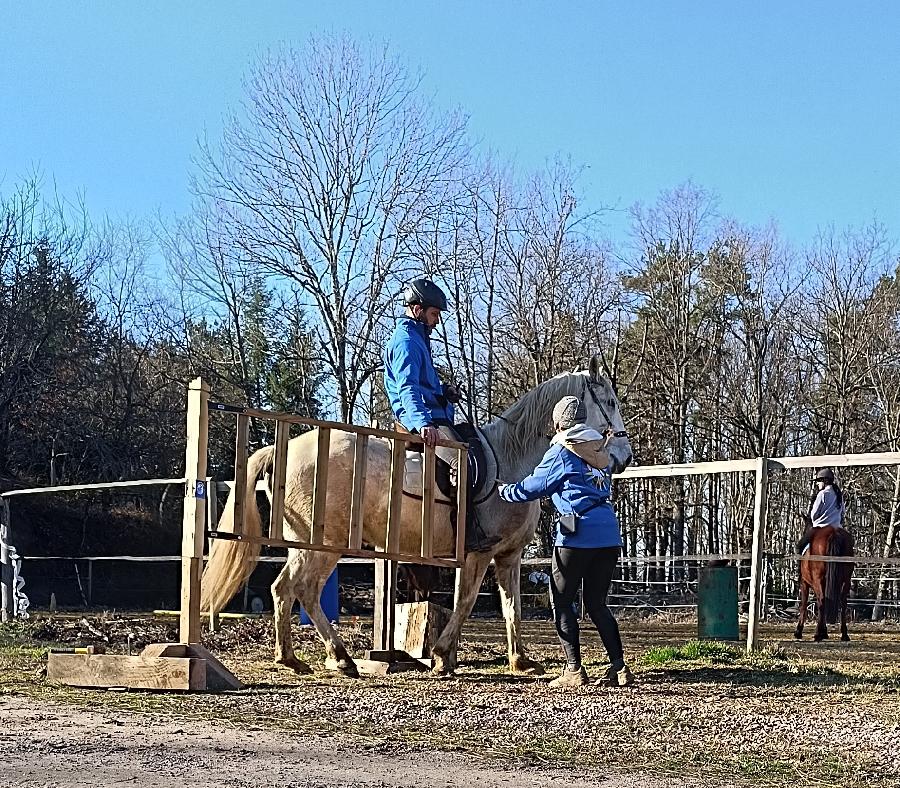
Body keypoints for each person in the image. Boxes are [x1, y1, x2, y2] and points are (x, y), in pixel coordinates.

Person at [498, 395, 634, 689]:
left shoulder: (562, 451)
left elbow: (534, 486)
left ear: (559, 423)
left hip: (577, 535)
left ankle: (573, 670)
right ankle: (619, 667)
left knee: (561, 601)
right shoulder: (599, 448)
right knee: (597, 604)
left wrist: (504, 491)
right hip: (608, 534)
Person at [383, 278, 491, 551]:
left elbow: (424, 385)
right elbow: (407, 388)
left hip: (434, 415)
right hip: (419, 419)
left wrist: (444, 392)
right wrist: (423, 423)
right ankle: (466, 535)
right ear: (417, 309)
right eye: (434, 314)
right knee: (461, 461)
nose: (437, 321)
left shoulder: (417, 338)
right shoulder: (407, 341)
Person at [797, 467, 846, 554]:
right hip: (837, 528)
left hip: (821, 527)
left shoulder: (822, 494)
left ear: (825, 481)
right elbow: (843, 512)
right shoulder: (838, 494)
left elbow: (814, 514)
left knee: (800, 546)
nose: (817, 483)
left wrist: (816, 521)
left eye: (819, 481)